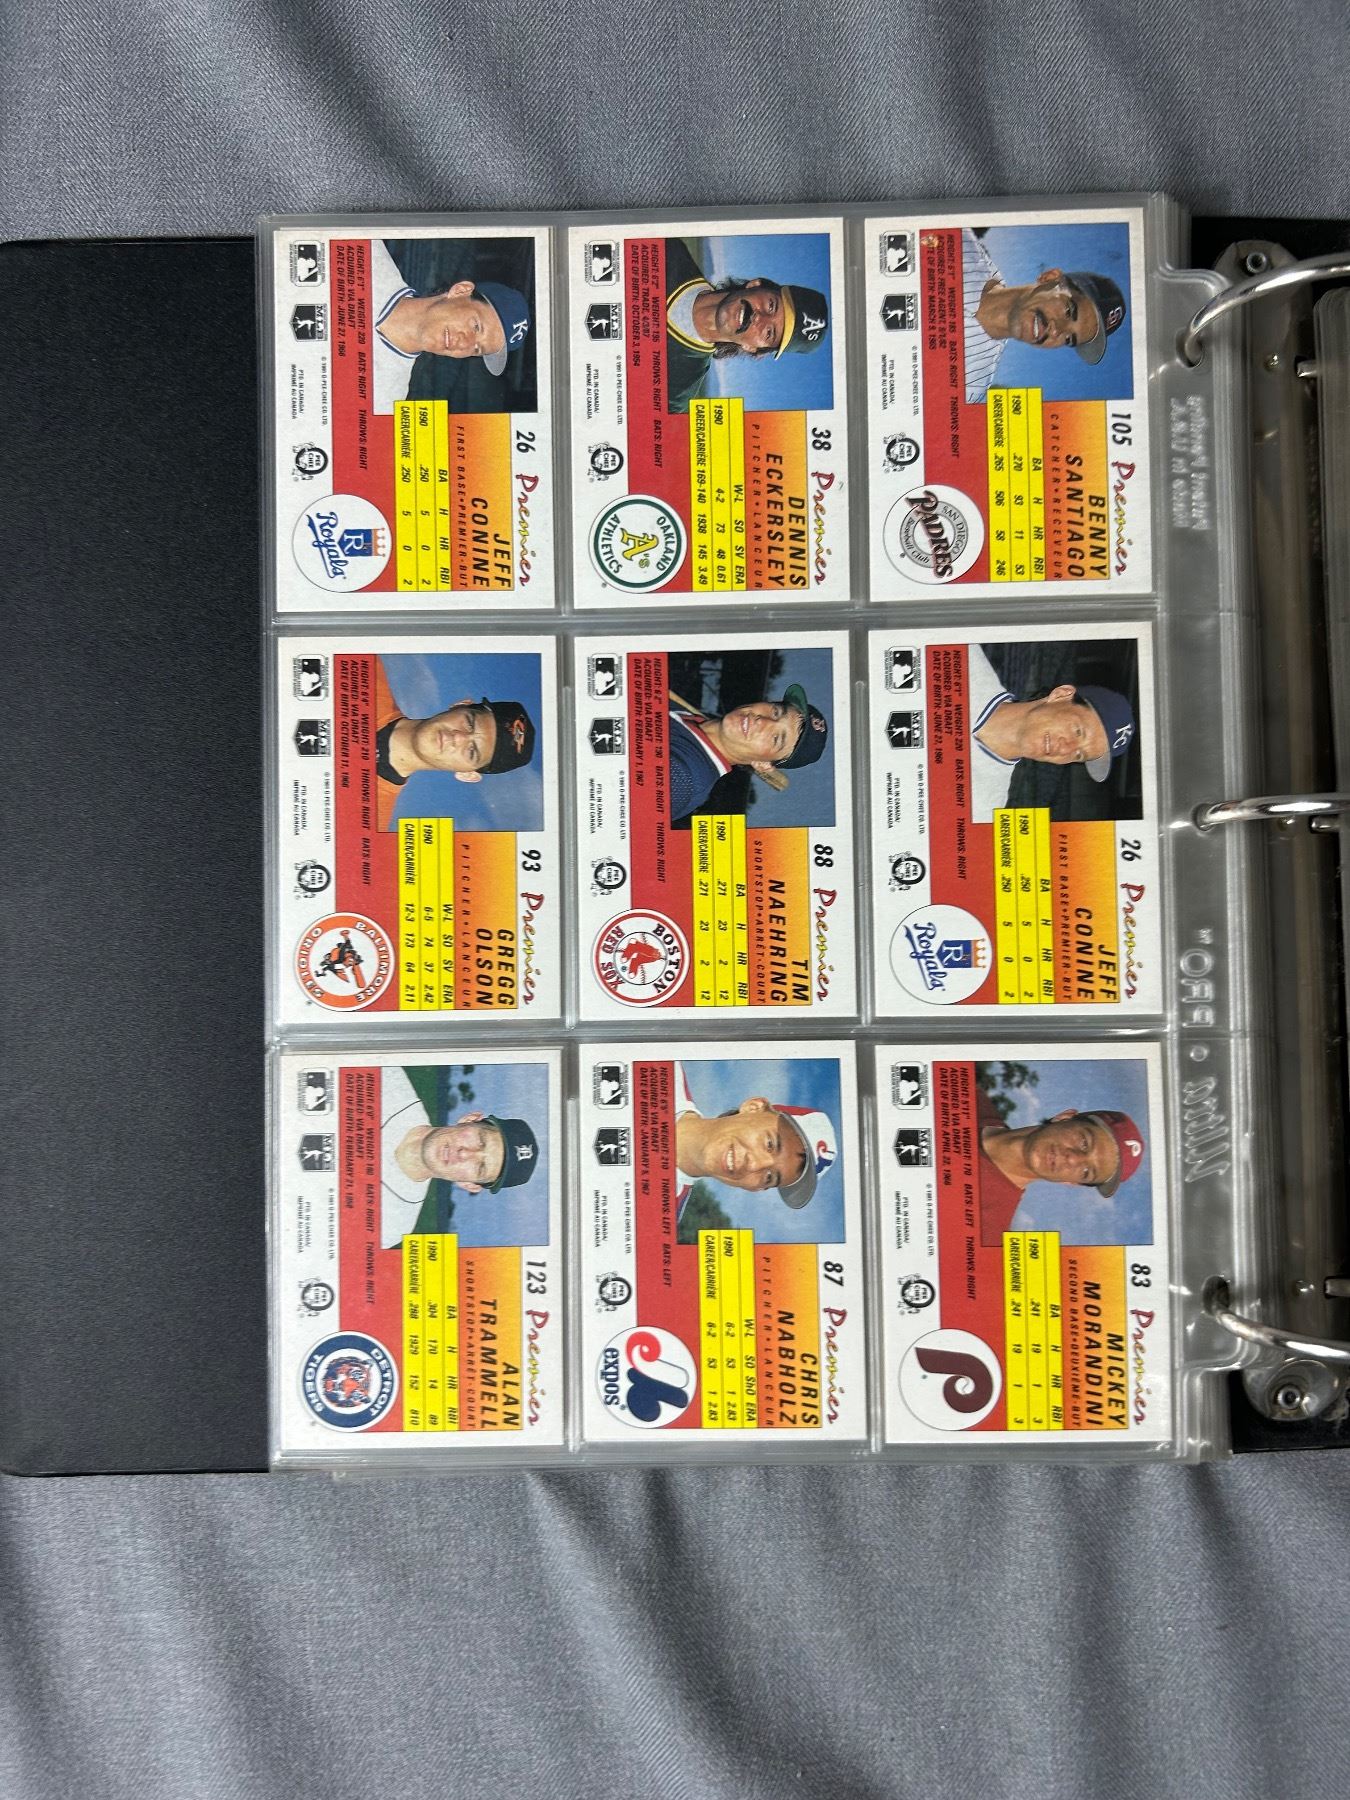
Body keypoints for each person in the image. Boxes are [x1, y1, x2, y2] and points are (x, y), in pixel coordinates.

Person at [965, 644, 1134, 820]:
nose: (1065, 749)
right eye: (1077, 731)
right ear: (1061, 695)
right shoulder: (963, 662)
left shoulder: (983, 810)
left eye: (1078, 755)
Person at [379, 1066, 539, 1248]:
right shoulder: (385, 1079)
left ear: (469, 1185)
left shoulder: (394, 1225)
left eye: (480, 1167)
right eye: (481, 1141)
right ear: (469, 1119)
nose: (465, 1153)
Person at [663, 238, 830, 412]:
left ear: (751, 348)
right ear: (754, 285)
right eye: (771, 305)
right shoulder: (668, 250)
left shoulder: (676, 395)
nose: (759, 318)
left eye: (769, 333)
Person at [961, 228, 1126, 403]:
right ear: (1050, 278)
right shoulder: (960, 246)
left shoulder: (971, 387)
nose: (1056, 331)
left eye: (1069, 339)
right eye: (1069, 311)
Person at [373, 659, 536, 829]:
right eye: (469, 723)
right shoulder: (365, 674)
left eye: (472, 751)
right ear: (460, 705)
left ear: (468, 774)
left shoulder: (371, 823)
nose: (458, 737)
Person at [369, 239, 531, 411]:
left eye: (477, 349)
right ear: (460, 290)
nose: (464, 344)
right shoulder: (368, 257)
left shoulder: (384, 402)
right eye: (476, 327)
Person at [976, 1086, 1145, 1245]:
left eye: (1086, 1171)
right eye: (1084, 1142)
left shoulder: (985, 1234)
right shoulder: (971, 1097)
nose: (1073, 1159)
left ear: (1072, 1182)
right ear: (1064, 1118)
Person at [671, 1061, 837, 1219]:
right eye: (770, 1144)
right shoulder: (665, 1070)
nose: (753, 1165)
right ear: (754, 1107)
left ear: (758, 1189)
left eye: (769, 1177)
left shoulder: (664, 1222)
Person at [668, 682, 828, 821]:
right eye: (776, 712)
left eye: (776, 738)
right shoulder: (684, 716)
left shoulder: (682, 778)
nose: (762, 721)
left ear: (762, 764)